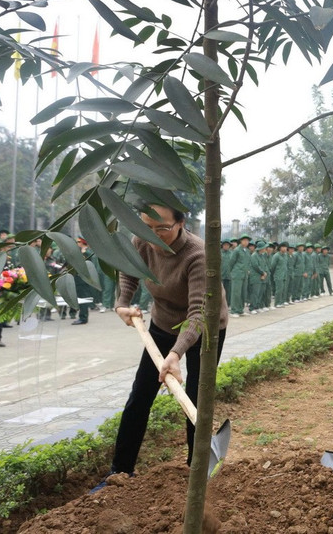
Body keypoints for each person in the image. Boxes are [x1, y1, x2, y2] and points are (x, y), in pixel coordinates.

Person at [92, 204, 229, 491]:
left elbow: (198, 314)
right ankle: (120, 471)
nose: (154, 236)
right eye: (147, 228)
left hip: (204, 327)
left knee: (195, 398)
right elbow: (130, 270)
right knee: (140, 395)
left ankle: (198, 469)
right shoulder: (142, 239)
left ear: (181, 222)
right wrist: (122, 302)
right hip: (163, 323)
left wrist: (176, 354)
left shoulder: (198, 255)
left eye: (162, 228)